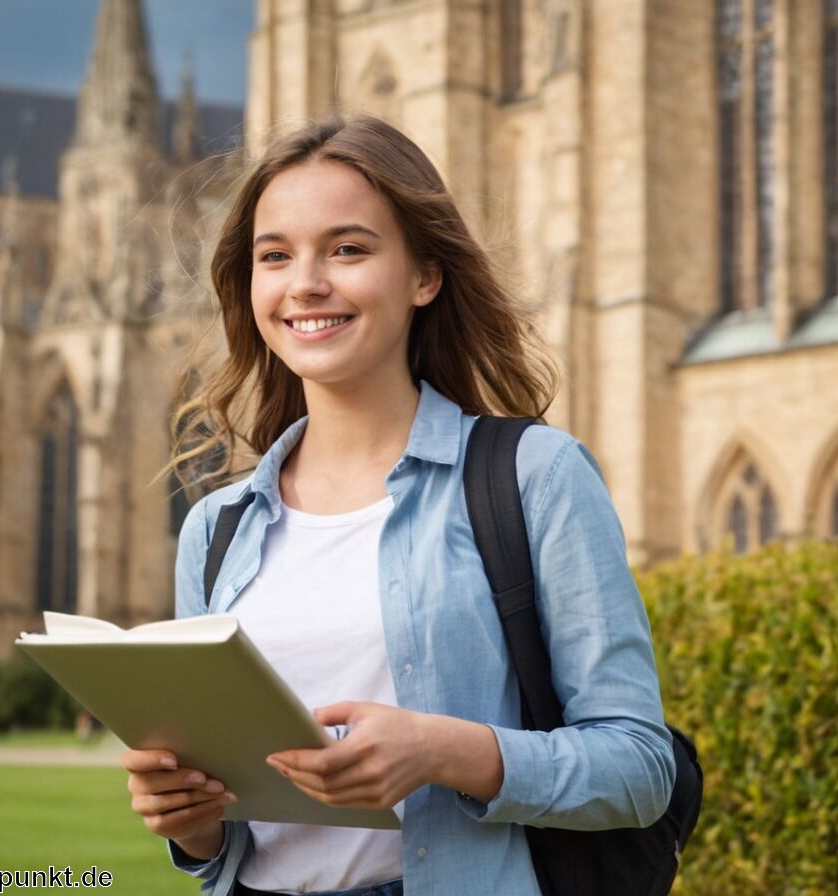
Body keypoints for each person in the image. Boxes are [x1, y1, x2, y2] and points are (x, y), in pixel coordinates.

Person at [122, 115, 675, 896]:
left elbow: (641, 769)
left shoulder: (535, 476)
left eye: (347, 249)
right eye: (274, 256)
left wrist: (446, 751)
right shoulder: (216, 531)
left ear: (424, 275)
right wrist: (192, 823)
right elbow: (232, 836)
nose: (305, 282)